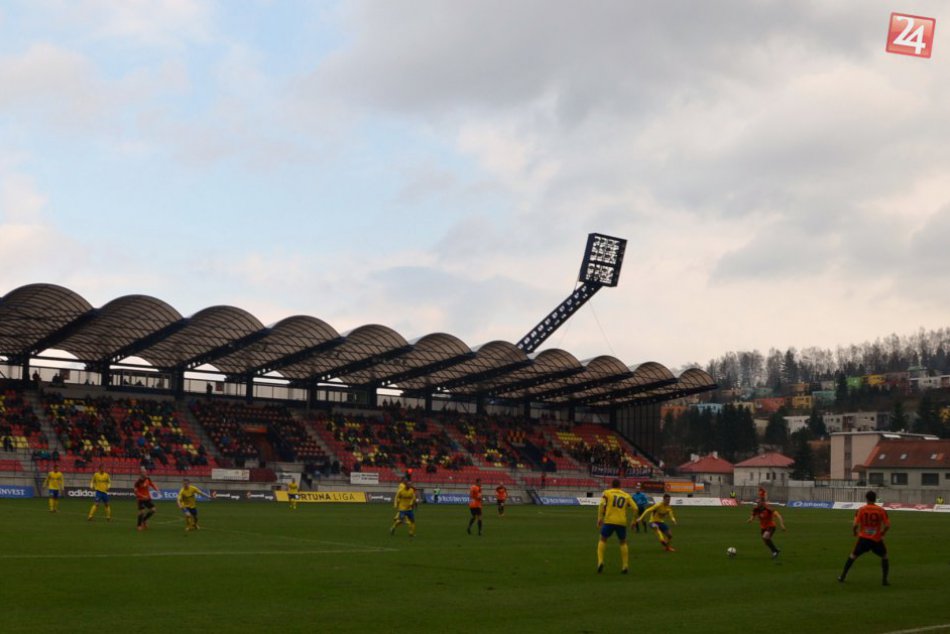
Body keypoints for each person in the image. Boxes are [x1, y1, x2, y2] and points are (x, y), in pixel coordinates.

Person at [838, 490, 890, 586]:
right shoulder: (881, 510)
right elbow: (887, 525)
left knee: (853, 556)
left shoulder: (861, 509)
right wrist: (883, 532)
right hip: (876, 539)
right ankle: (884, 580)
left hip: (864, 538)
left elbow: (855, 525)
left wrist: (854, 532)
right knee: (885, 556)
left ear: (866, 498)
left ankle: (842, 577)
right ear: (875, 499)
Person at [596, 478, 635, 574]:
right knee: (623, 542)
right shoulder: (626, 495)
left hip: (609, 520)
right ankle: (625, 565)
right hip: (621, 522)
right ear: (620, 485)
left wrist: (600, 518)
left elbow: (601, 504)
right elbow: (636, 508)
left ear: (611, 485)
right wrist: (634, 521)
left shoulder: (607, 492)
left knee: (603, 539)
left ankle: (600, 561)